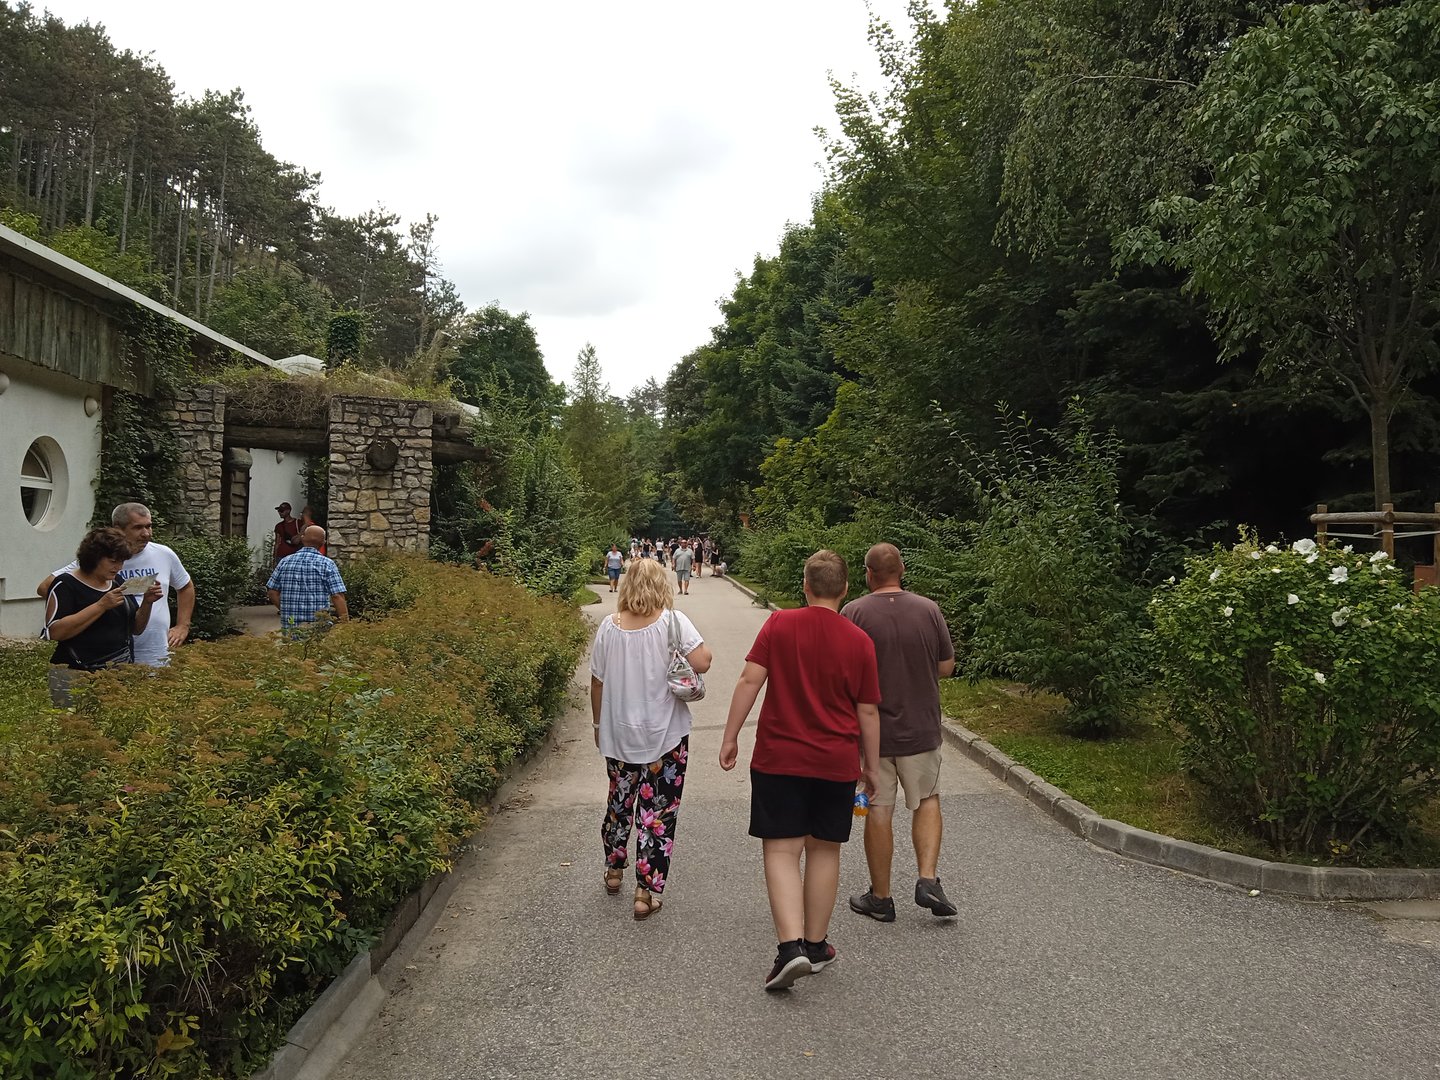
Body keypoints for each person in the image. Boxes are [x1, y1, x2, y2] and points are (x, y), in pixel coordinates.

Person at [720, 549, 881, 991]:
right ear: (846, 589)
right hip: (836, 763)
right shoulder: (860, 641)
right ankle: (815, 944)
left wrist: (730, 735)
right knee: (825, 850)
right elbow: (868, 712)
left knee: (782, 851)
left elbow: (750, 680)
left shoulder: (779, 624)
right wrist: (871, 765)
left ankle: (788, 948)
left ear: (805, 587)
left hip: (780, 759)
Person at [590, 557, 713, 920]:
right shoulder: (673, 622)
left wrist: (599, 726)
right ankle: (645, 892)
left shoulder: (608, 628)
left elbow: (597, 681)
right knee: (657, 814)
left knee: (619, 802)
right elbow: (703, 661)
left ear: (626, 585)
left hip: (619, 737)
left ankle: (614, 870)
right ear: (663, 584)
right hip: (666, 737)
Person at [843, 543, 959, 921]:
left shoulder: (854, 612)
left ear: (868, 573)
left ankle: (881, 897)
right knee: (926, 799)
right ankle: (927, 879)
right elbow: (946, 667)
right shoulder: (929, 609)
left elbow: (843, 673)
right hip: (920, 727)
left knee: (878, 808)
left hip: (872, 734)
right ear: (902, 569)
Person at [37, 502, 195, 666]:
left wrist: (182, 625)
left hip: (148, 650)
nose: (146, 533)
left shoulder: (163, 554)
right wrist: (98, 605)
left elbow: (185, 586)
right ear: (118, 528)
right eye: (138, 527)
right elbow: (46, 588)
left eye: (149, 526)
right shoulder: (96, 560)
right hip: (92, 659)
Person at [43, 527, 164, 705]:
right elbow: (55, 632)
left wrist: (147, 602)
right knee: (76, 729)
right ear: (94, 558)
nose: (119, 567)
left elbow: (136, 629)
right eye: (113, 561)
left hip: (118, 673)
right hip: (76, 673)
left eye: (122, 562)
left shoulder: (118, 582)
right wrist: (101, 606)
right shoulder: (65, 584)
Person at [266, 525, 348, 628]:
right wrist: (346, 626)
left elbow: (272, 592)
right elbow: (337, 596)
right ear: (323, 542)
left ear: (302, 538)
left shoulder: (285, 562)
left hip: (291, 625)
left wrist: (285, 610)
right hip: (317, 627)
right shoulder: (327, 564)